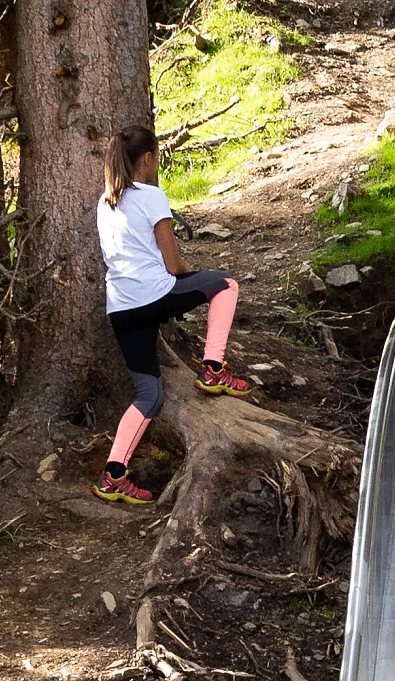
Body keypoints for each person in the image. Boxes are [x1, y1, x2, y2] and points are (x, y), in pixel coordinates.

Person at [92, 125, 251, 505]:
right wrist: (188, 271)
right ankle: (213, 368)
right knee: (226, 284)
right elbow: (175, 265)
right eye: (157, 158)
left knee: (149, 394)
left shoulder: (105, 201)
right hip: (155, 295)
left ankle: (112, 475)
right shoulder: (150, 195)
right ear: (147, 159)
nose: (157, 163)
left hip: (121, 307)